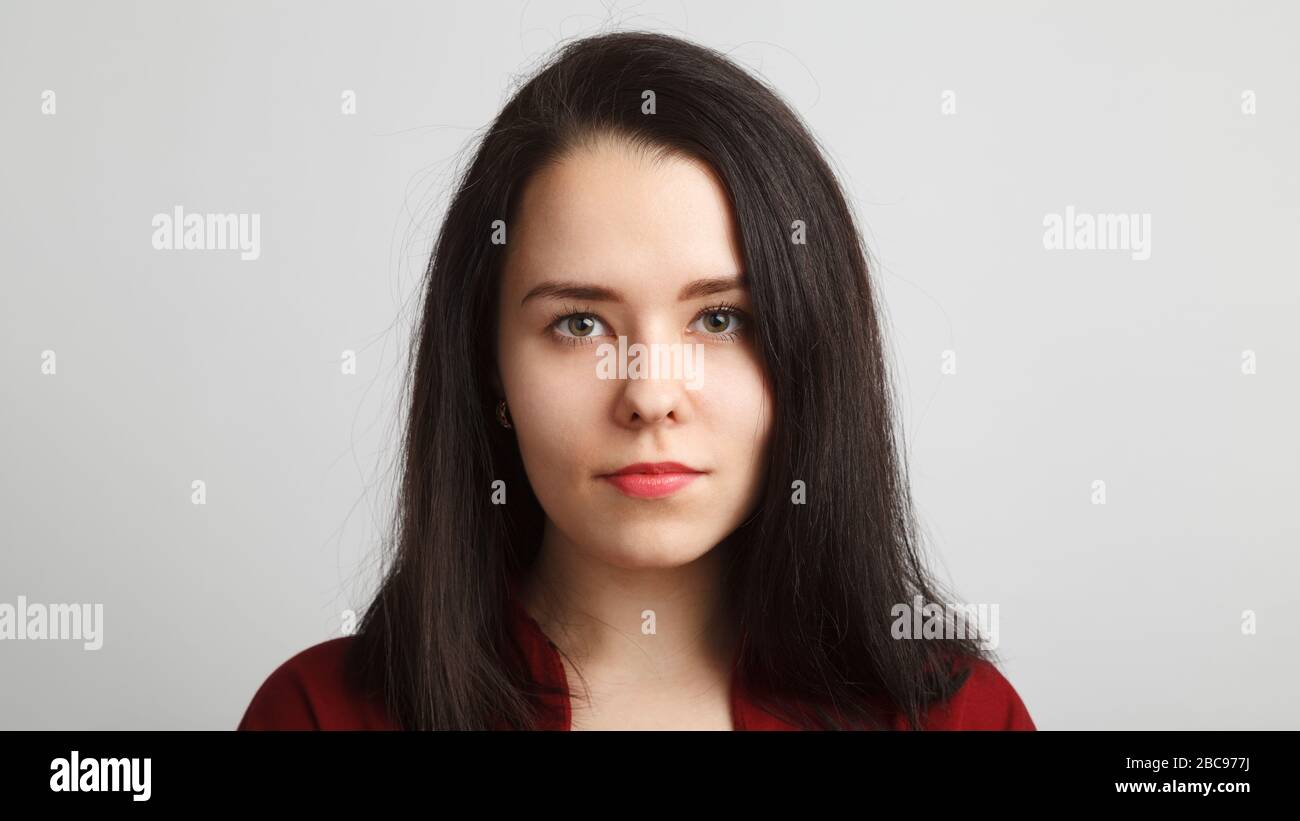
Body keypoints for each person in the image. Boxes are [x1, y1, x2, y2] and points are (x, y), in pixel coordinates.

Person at [238, 30, 1036, 731]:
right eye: (581, 324)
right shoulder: (318, 715)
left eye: (720, 320)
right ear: (490, 365)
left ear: (810, 350)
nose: (650, 394)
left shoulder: (963, 717)